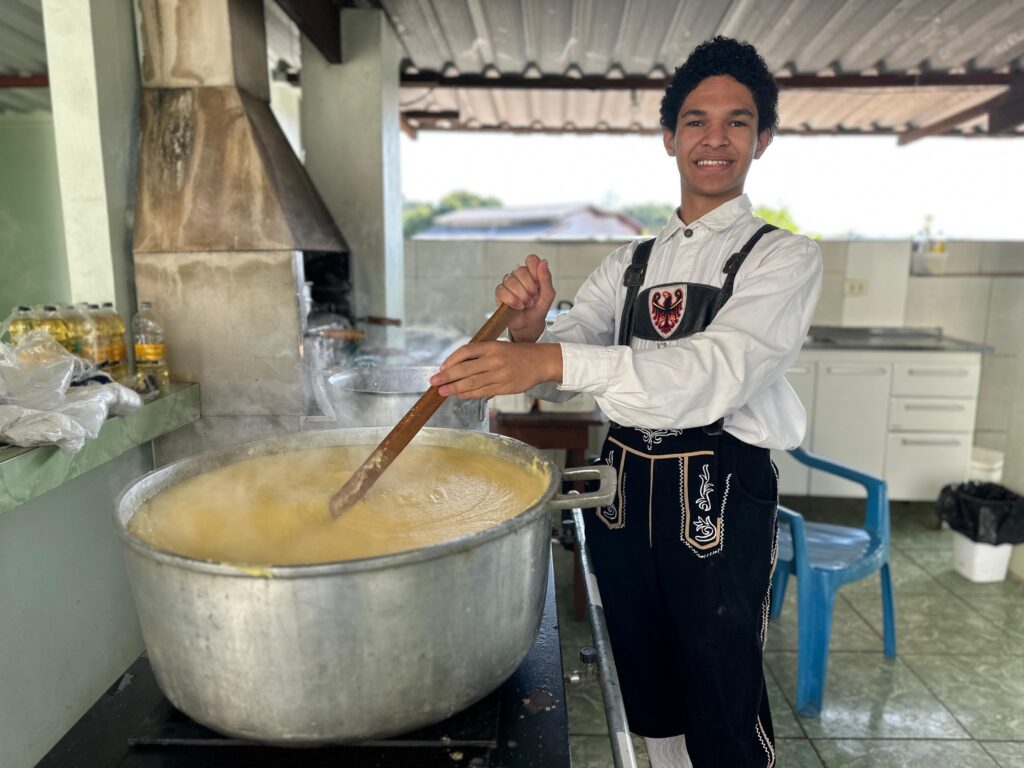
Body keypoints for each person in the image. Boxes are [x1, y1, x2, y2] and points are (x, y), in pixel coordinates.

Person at [430, 36, 821, 768]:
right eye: (697, 120)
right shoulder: (630, 263)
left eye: (737, 122)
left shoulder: (781, 256)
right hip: (623, 486)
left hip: (718, 493)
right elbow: (563, 362)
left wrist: (545, 353)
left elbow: (712, 372)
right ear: (669, 137)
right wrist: (529, 329)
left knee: (720, 684)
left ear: (762, 139)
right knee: (645, 677)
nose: (715, 138)